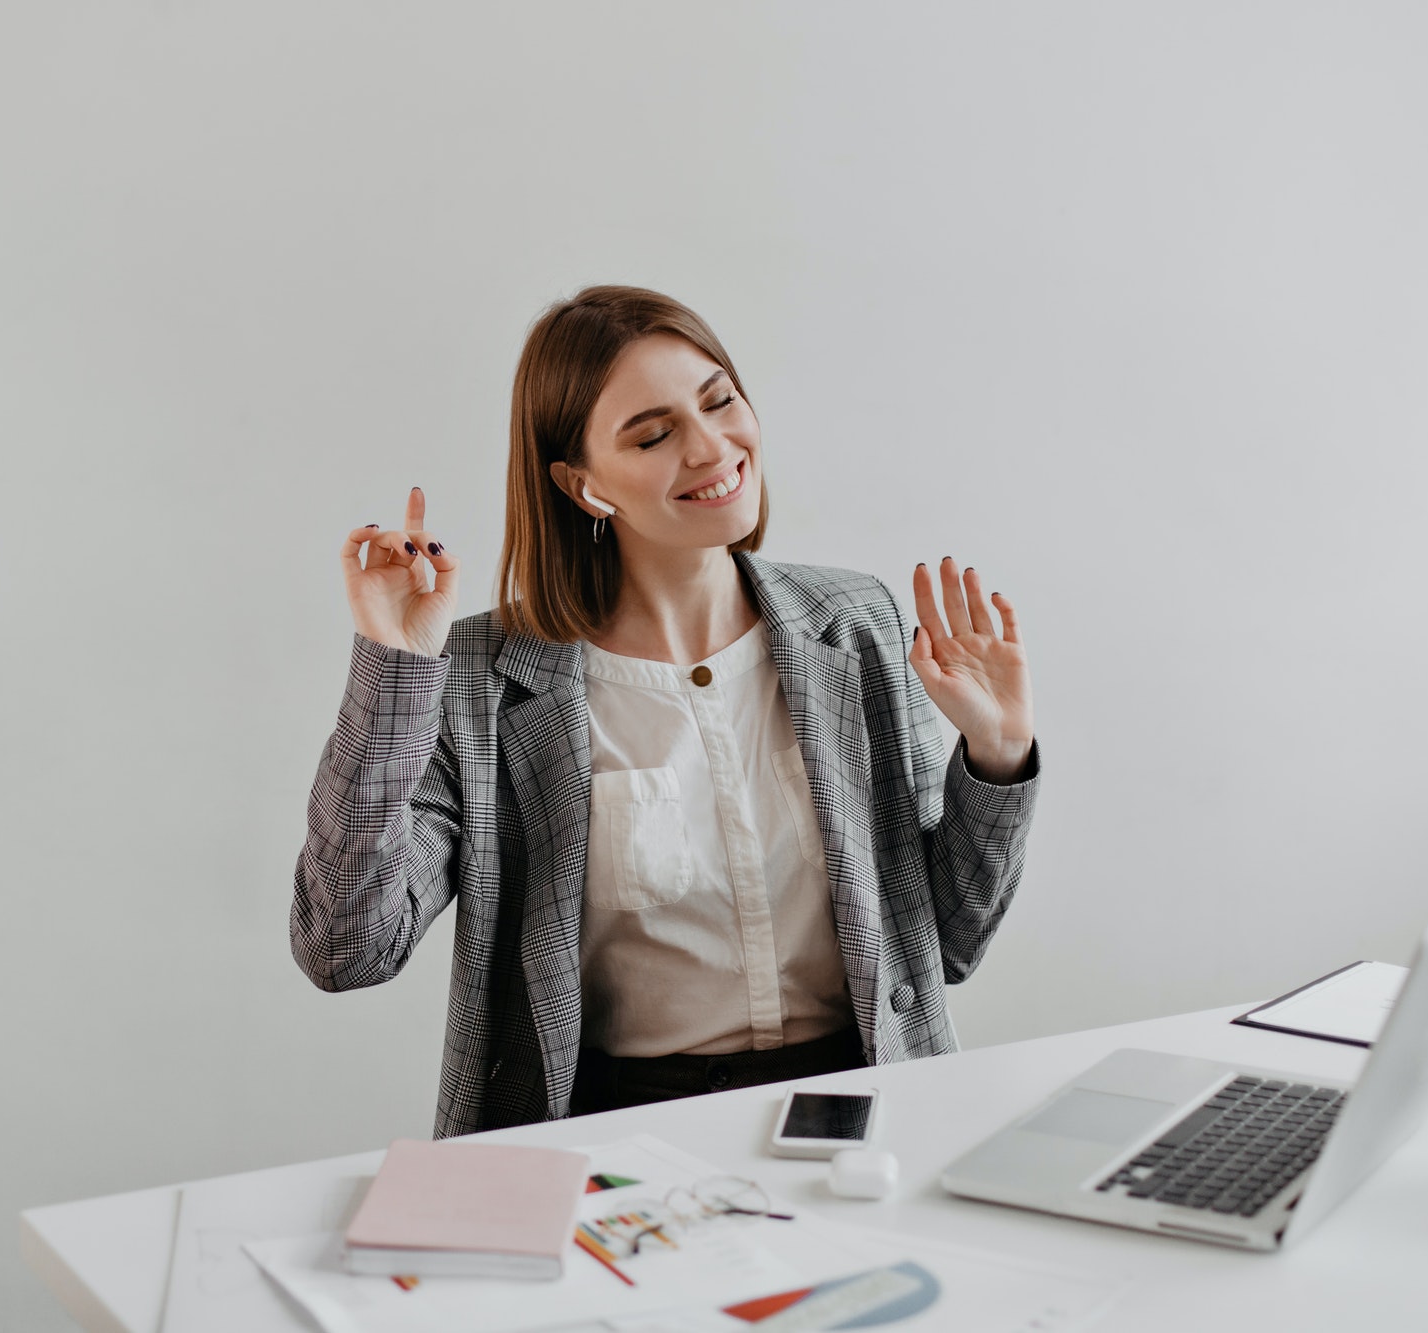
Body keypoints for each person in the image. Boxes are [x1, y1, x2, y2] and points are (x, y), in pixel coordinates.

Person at [292, 285, 1039, 1138]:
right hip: (612, 1131)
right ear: (584, 485)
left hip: (864, 1107)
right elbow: (345, 947)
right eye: (653, 434)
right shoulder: (480, 678)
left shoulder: (855, 623)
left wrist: (997, 752)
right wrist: (396, 669)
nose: (712, 445)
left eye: (721, 401)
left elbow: (948, 944)